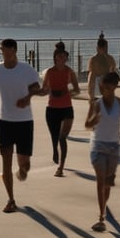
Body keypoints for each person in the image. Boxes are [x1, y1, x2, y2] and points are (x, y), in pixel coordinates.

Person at [0, 38, 41, 213]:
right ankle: (11, 199)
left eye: (5, 49)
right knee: (6, 162)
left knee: (24, 163)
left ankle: (23, 169)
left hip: (24, 122)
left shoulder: (26, 70)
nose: (3, 53)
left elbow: (36, 88)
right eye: (1, 49)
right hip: (4, 121)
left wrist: (27, 99)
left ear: (14, 50)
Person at [84, 72, 120, 232]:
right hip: (97, 146)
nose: (106, 90)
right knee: (100, 181)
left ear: (115, 87)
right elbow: (87, 124)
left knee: (107, 184)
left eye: (110, 87)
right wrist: (94, 119)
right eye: (104, 88)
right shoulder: (97, 104)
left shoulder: (119, 102)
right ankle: (101, 217)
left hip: (113, 148)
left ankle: (103, 208)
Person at [39, 41, 80, 177]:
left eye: (64, 56)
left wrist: (66, 93)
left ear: (66, 58)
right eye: (59, 56)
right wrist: (42, 91)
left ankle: (61, 167)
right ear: (55, 57)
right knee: (54, 137)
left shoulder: (70, 72)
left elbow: (77, 90)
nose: (61, 58)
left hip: (67, 108)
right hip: (52, 109)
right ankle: (54, 150)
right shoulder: (49, 72)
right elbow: (44, 90)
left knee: (62, 138)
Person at [87, 32, 117, 102]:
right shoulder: (94, 59)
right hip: (99, 84)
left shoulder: (109, 58)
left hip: (105, 84)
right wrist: (91, 93)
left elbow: (113, 73)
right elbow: (92, 76)